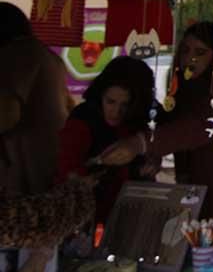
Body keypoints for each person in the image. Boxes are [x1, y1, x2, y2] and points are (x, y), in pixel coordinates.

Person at [100, 21, 213, 219]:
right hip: (208, 178)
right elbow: (173, 121)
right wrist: (158, 153)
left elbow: (201, 127)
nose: (190, 58)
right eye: (185, 50)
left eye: (200, 52)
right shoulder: (182, 82)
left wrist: (142, 143)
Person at [0, 3, 91, 272]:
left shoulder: (15, 55)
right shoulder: (48, 57)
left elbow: (5, 114)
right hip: (50, 178)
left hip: (22, 188)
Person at [56, 56, 159, 224]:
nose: (116, 112)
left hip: (131, 213)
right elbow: (67, 165)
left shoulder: (139, 122)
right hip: (87, 218)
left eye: (126, 105)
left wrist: (147, 167)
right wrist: (79, 179)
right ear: (100, 94)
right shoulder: (83, 120)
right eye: (110, 102)